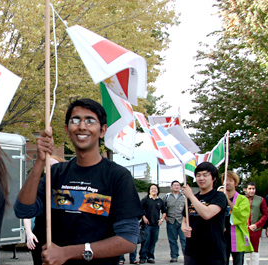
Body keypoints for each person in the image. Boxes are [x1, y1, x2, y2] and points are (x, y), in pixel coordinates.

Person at [14, 98, 143, 265]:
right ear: (67, 130)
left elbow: (128, 240)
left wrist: (67, 253)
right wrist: (39, 162)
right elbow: (23, 210)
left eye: (90, 121)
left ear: (102, 130)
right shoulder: (56, 173)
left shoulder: (118, 176)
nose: (82, 126)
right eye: (76, 120)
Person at [181, 162, 228, 265]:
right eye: (198, 175)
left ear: (213, 178)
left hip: (213, 252)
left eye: (205, 175)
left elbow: (207, 214)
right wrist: (184, 228)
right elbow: (184, 221)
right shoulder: (190, 199)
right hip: (192, 251)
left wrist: (191, 196)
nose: (201, 178)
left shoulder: (219, 196)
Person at [23, 155, 65, 265]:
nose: (50, 169)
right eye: (47, 167)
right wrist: (29, 233)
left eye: (53, 166)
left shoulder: (66, 188)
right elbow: (27, 211)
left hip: (60, 235)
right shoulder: (38, 186)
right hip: (41, 234)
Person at [221, 171, 253, 265]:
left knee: (238, 261)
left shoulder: (243, 199)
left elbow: (242, 215)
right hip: (222, 235)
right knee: (222, 261)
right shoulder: (219, 198)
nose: (227, 182)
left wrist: (229, 202)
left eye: (230, 180)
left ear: (235, 183)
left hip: (237, 235)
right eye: (225, 180)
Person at [138, 184, 167, 264]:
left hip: (156, 225)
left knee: (153, 241)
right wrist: (144, 218)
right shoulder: (145, 200)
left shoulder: (160, 201)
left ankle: (150, 257)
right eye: (152, 188)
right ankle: (142, 257)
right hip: (146, 225)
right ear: (149, 190)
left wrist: (161, 220)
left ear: (158, 190)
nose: (154, 190)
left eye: (155, 188)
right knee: (146, 241)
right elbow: (140, 209)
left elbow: (164, 211)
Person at [244, 181, 268, 265]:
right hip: (243, 229)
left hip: (255, 229)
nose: (252, 191)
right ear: (245, 189)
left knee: (254, 251)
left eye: (253, 189)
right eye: (250, 189)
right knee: (242, 251)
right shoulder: (240, 199)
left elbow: (265, 214)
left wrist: (257, 225)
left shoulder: (261, 200)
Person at [164, 180, 186, 263]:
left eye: (178, 185)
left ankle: (186, 256)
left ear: (180, 187)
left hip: (182, 221)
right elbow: (163, 208)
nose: (176, 186)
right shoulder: (167, 196)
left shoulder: (184, 196)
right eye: (175, 185)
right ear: (171, 187)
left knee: (184, 240)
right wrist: (165, 217)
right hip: (171, 221)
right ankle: (174, 256)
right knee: (172, 240)